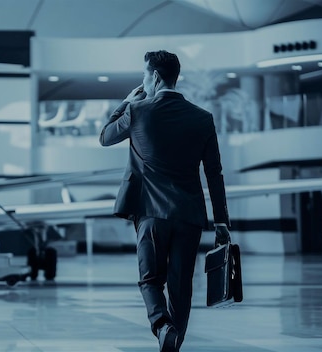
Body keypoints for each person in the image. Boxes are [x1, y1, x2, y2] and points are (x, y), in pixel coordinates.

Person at [99, 50, 231, 352]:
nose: (144, 81)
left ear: (155, 77)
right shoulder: (202, 118)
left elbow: (105, 136)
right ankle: (173, 344)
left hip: (150, 215)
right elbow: (214, 173)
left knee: (150, 280)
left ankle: (162, 326)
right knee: (181, 287)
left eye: (145, 75)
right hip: (189, 215)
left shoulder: (138, 111)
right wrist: (221, 221)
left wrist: (126, 102)